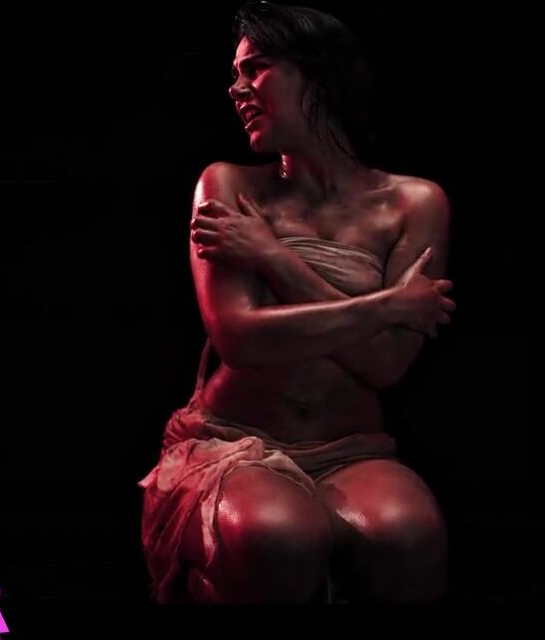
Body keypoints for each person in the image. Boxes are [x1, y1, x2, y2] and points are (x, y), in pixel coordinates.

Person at [139, 1, 456, 603]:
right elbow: (239, 337)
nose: (236, 89)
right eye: (235, 73)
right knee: (279, 536)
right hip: (236, 439)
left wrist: (273, 258)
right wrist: (387, 306)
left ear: (319, 72)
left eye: (255, 68)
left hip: (352, 448)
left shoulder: (415, 203)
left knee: (409, 535)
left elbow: (385, 365)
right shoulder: (227, 184)